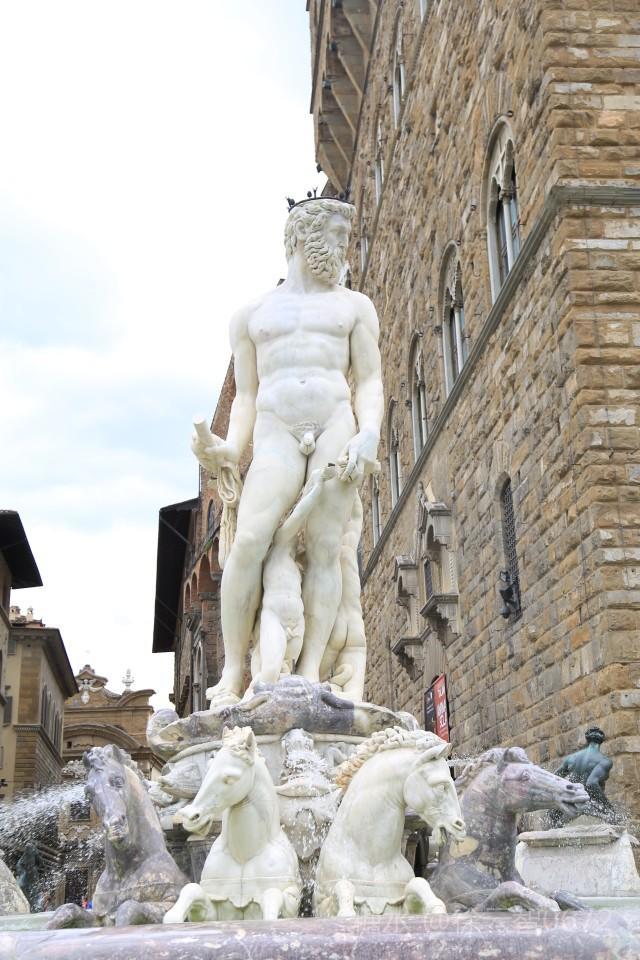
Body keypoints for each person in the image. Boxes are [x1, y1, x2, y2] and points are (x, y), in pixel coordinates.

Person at [192, 197, 383, 705]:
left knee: (325, 547)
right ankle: (233, 672)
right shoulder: (251, 315)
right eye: (337, 235)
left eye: (346, 238)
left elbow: (370, 380)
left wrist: (370, 432)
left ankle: (311, 670)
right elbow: (246, 396)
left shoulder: (355, 307)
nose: (344, 247)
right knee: (249, 542)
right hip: (276, 432)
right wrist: (230, 449)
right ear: (303, 235)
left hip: (335, 425)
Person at [252, 464, 336, 685]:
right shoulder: (278, 548)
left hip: (297, 623)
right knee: (271, 673)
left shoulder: (296, 566)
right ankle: (256, 693)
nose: (297, 538)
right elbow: (298, 516)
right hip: (275, 619)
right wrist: (317, 486)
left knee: (289, 679)